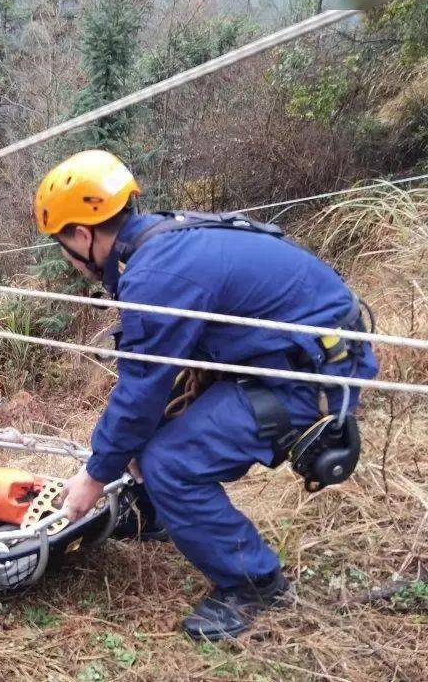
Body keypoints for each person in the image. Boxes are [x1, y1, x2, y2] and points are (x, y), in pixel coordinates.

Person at [34, 150, 378, 640]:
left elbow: (138, 392)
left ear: (83, 236)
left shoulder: (155, 275)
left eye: (64, 247)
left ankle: (254, 582)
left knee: (170, 461)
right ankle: (159, 510)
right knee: (149, 433)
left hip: (310, 379)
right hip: (299, 352)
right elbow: (151, 385)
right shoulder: (163, 241)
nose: (69, 261)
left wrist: (94, 477)